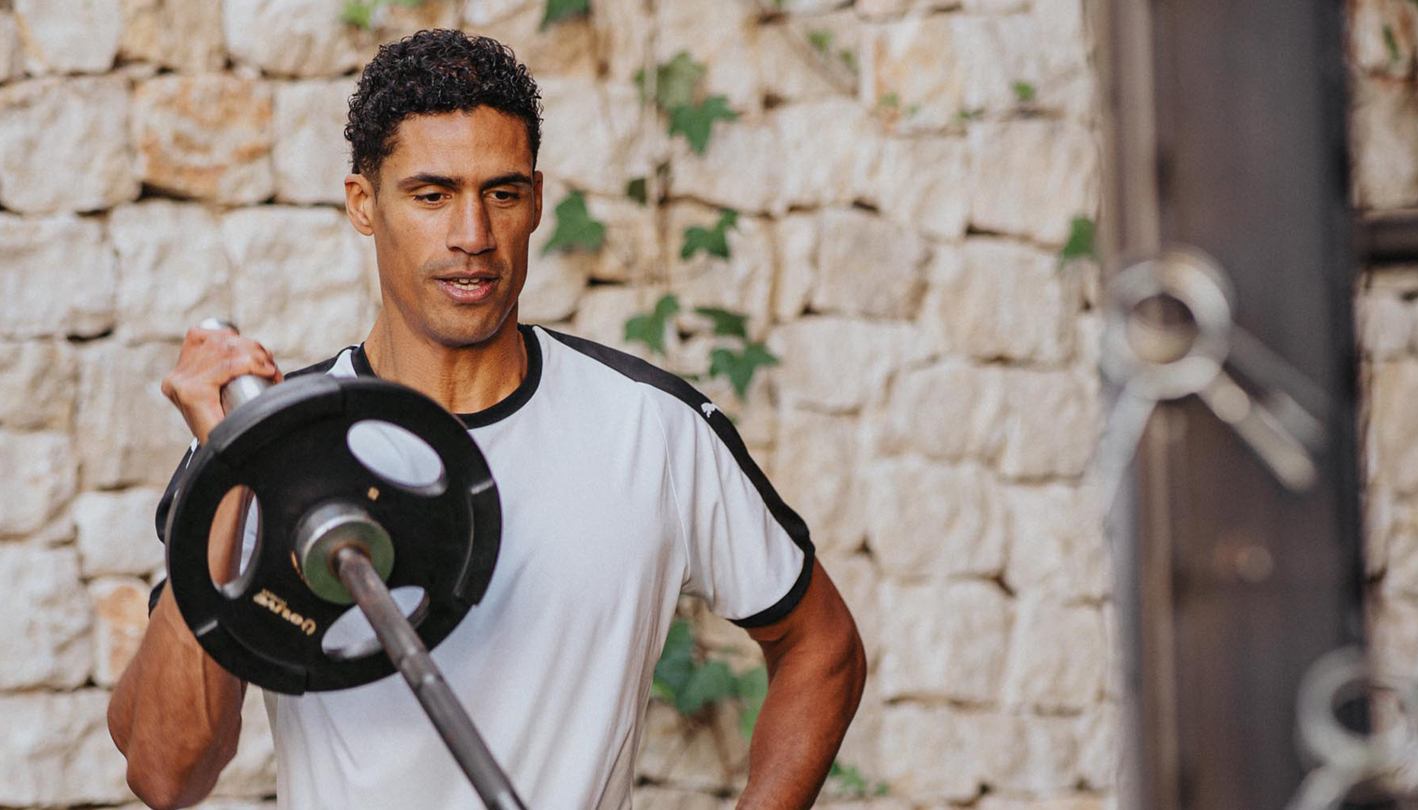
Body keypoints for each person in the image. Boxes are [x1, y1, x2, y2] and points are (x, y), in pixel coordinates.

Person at [107, 29, 866, 809]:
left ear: (535, 201)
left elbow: (822, 645)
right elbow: (167, 772)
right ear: (364, 205)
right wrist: (231, 457)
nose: (472, 236)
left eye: (500, 193)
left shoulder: (654, 430)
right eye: (431, 195)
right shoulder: (278, 442)